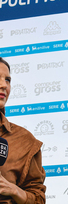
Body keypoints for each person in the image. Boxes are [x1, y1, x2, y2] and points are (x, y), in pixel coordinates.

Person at [0, 57, 46, 204]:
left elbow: (38, 199)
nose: (3, 85)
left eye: (7, 80)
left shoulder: (25, 141)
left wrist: (14, 190)